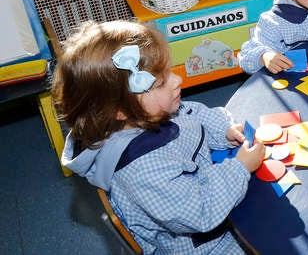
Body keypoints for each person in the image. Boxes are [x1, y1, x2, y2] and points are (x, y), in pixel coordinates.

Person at [54, 20, 265, 254]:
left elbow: (191, 113)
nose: (178, 81)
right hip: (201, 244)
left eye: (168, 71)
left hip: (211, 190)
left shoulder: (144, 112)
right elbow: (200, 212)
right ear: (120, 110)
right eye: (162, 81)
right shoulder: (142, 168)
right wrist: (240, 168)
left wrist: (224, 131)